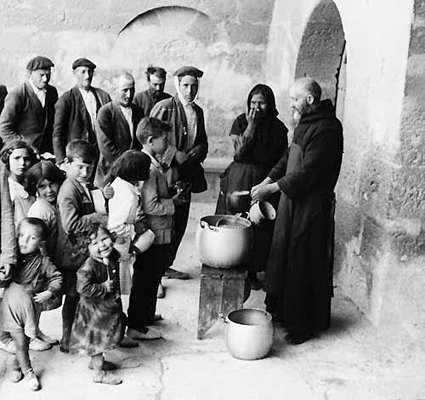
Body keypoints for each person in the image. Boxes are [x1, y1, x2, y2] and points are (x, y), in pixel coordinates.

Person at [251, 77, 344, 345]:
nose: (291, 103)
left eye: (295, 99)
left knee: (303, 260)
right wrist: (266, 181)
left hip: (311, 207)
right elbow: (287, 158)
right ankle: (282, 312)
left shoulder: (328, 129)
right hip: (292, 202)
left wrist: (271, 189)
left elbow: (308, 171)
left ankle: (302, 324)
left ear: (310, 99)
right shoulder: (305, 122)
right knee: (283, 254)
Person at [215, 84, 288, 289]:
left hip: (265, 179)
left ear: (270, 104)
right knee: (235, 220)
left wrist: (271, 182)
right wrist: (251, 125)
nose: (256, 107)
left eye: (261, 103)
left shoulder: (279, 128)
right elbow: (239, 153)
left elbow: (281, 159)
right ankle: (232, 263)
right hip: (240, 178)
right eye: (253, 103)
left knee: (259, 224)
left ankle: (253, 270)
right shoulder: (240, 122)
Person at [151, 66, 208, 280]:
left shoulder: (198, 112)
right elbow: (150, 137)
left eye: (194, 86)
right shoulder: (165, 108)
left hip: (186, 175)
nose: (190, 91)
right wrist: (174, 154)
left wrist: (197, 152)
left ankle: (166, 265)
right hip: (166, 175)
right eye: (185, 85)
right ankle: (154, 271)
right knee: (162, 223)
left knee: (180, 223)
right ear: (177, 85)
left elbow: (202, 141)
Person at [55, 139, 108, 353]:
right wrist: (96, 217)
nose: (85, 172)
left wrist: (102, 194)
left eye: (89, 167)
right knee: (73, 296)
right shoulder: (68, 190)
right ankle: (67, 339)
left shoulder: (81, 184)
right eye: (79, 167)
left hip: (81, 251)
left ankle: (75, 339)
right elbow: (70, 225)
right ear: (67, 164)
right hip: (72, 254)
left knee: (78, 297)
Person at [0, 217, 62, 391]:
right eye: (21, 235)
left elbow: (57, 277)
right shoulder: (11, 258)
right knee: (19, 341)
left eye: (32, 238)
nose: (24, 241)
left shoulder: (43, 262)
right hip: (10, 306)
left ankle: (18, 368)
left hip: (28, 309)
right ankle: (27, 371)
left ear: (41, 242)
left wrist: (49, 291)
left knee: (23, 343)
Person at [106, 149, 152, 345]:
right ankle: (117, 335)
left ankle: (118, 332)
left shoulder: (121, 184)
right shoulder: (127, 195)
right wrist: (135, 228)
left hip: (119, 245)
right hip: (117, 247)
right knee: (114, 293)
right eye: (146, 168)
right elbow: (115, 226)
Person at [69, 224, 123, 385]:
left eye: (105, 239)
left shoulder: (111, 256)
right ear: (86, 248)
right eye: (95, 243)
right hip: (94, 312)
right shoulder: (88, 266)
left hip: (105, 309)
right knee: (98, 343)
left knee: (103, 339)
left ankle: (96, 363)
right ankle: (98, 374)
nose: (102, 245)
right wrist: (103, 287)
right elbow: (82, 288)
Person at [52, 58, 111, 166]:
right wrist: (61, 161)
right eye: (83, 72)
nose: (87, 76)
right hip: (77, 157)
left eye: (90, 72)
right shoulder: (66, 99)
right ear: (74, 74)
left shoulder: (102, 96)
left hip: (100, 156)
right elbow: (57, 134)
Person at [95, 72, 144, 187]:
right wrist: (126, 168)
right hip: (110, 173)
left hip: (133, 173)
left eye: (132, 90)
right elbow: (106, 147)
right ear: (115, 89)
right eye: (125, 90)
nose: (129, 95)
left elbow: (140, 141)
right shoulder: (105, 112)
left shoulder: (138, 111)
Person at [0, 56, 58, 154]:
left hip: (47, 152)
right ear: (29, 74)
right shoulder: (18, 94)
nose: (45, 79)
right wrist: (24, 147)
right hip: (25, 153)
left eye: (48, 75)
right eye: (41, 75)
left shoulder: (52, 92)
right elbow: (4, 128)